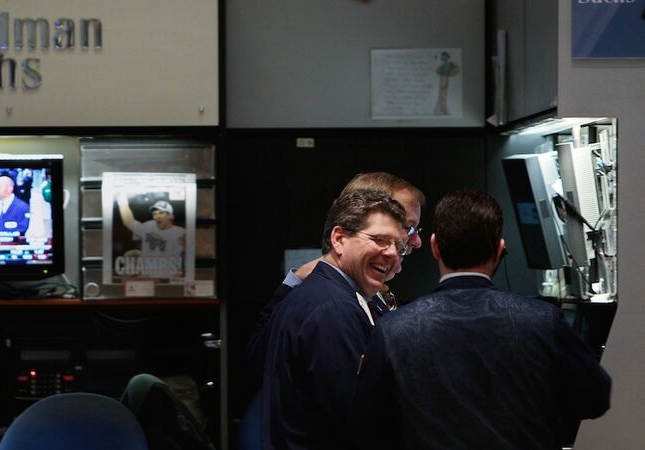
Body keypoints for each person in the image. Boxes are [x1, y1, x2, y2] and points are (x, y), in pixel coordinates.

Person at [351, 189, 611, 450]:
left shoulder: (392, 329)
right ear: (499, 250)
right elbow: (595, 398)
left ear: (435, 246)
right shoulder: (545, 321)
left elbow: (366, 424)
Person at [261, 189, 408, 450]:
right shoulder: (333, 309)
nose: (392, 254)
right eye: (379, 240)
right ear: (339, 239)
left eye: (398, 246)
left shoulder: (322, 295)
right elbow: (356, 417)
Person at [246, 172, 425, 378]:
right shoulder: (331, 304)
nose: (416, 241)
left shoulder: (367, 287)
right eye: (407, 227)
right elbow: (261, 357)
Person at [117, 194, 186, 279]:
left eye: (161, 213)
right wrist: (122, 200)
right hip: (147, 277)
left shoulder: (180, 232)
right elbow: (129, 221)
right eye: (154, 214)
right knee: (131, 254)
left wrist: (182, 271)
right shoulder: (149, 227)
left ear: (171, 216)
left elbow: (191, 254)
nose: (157, 216)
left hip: (167, 277)